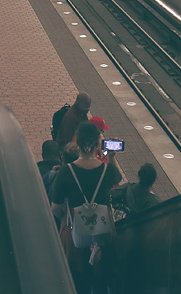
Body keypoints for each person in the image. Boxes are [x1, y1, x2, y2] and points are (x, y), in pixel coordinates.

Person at [49, 122, 123, 291]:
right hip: (103, 236)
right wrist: (111, 156)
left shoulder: (66, 172)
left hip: (77, 239)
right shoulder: (107, 171)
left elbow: (55, 208)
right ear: (98, 144)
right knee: (101, 279)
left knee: (79, 280)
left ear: (78, 143)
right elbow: (117, 178)